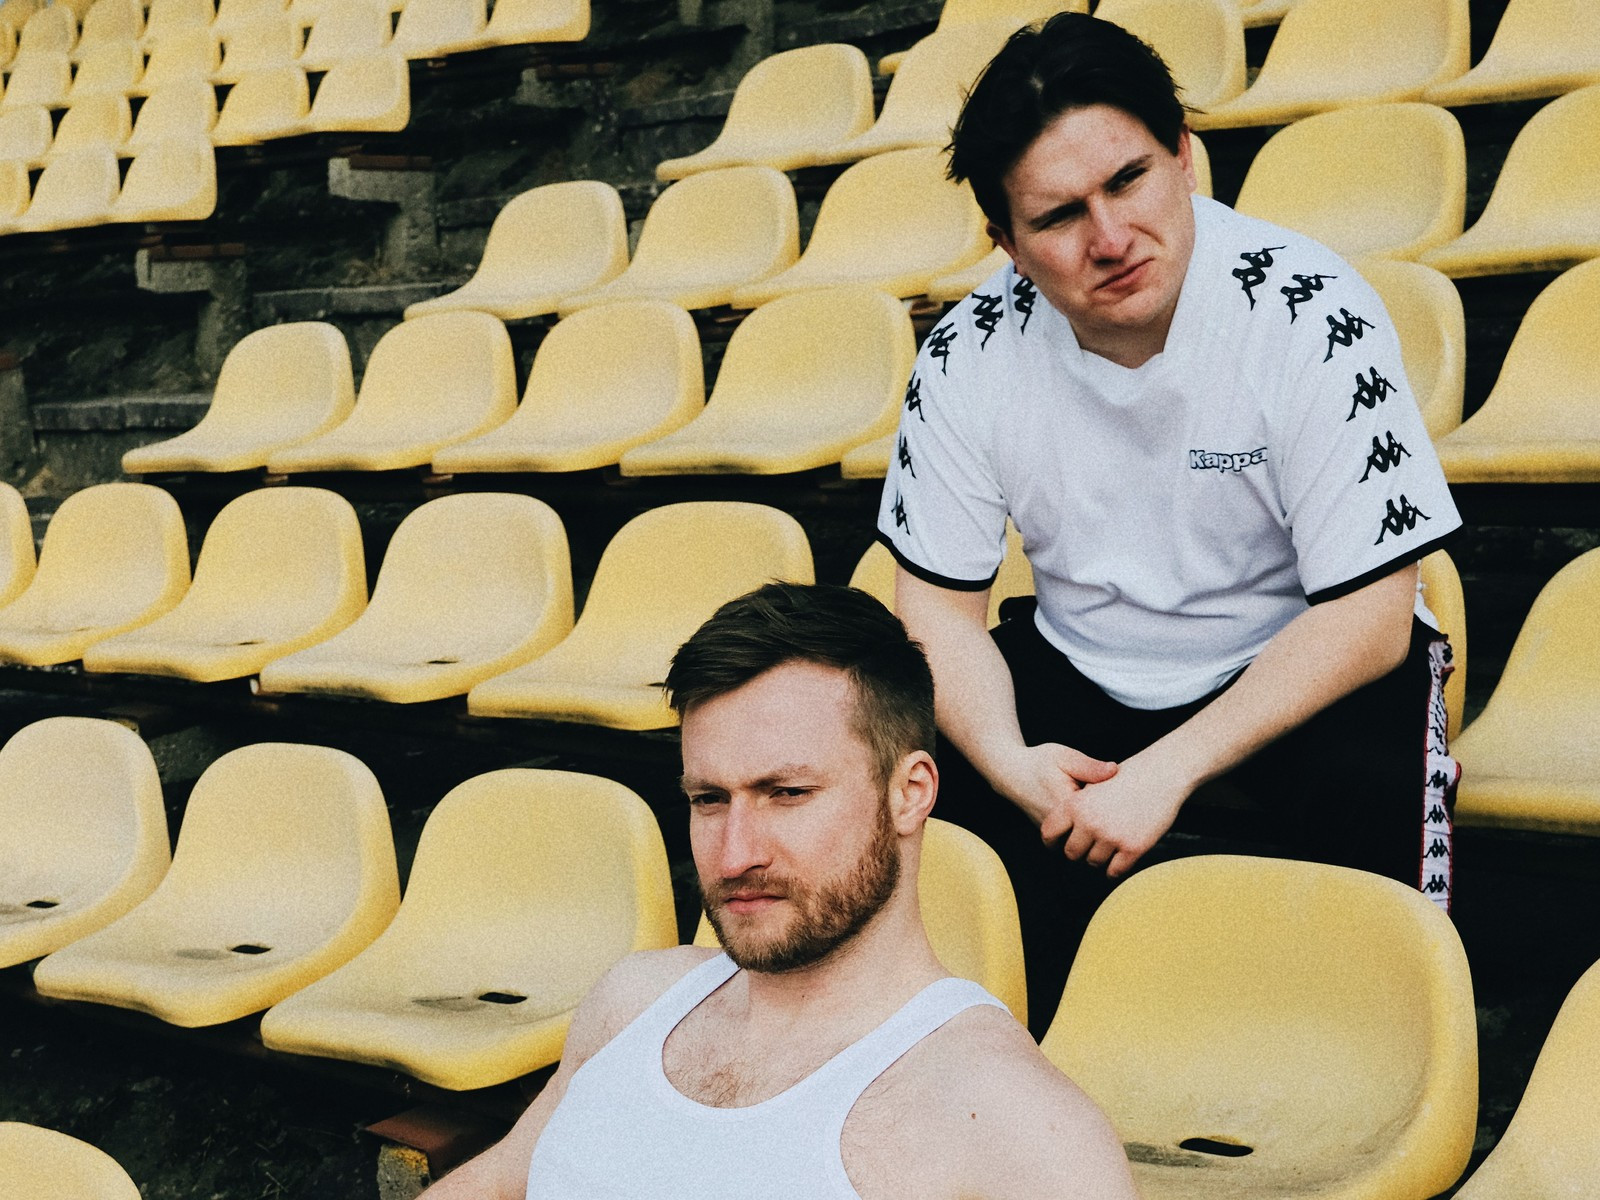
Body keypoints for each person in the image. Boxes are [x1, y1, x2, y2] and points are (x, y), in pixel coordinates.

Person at [877, 12, 1463, 1031]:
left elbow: (1370, 618)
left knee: (1371, 812)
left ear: (1185, 158)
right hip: (1085, 656)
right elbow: (936, 615)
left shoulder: (1311, 310)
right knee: (911, 780)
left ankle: (1381, 1062)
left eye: (1129, 180)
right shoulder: (966, 354)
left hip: (1293, 654)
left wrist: (1167, 771)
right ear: (1006, 244)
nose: (1109, 239)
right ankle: (1012, 1066)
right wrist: (1014, 766)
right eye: (1058, 216)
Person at [420, 582, 1138, 1200]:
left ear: (910, 793)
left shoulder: (1019, 1129)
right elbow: (505, 1177)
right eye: (708, 799)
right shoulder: (632, 1002)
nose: (736, 855)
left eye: (787, 793)